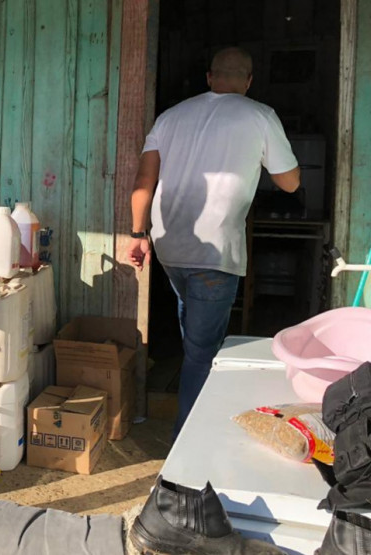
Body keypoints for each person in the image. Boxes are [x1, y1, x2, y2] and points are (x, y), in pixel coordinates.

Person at [128, 47, 301, 436]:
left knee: (193, 329)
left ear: (210, 77)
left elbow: (143, 184)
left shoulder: (170, 118)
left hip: (170, 245)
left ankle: (194, 428)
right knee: (201, 354)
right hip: (215, 252)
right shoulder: (260, 115)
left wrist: (139, 235)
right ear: (249, 81)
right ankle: (187, 440)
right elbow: (290, 182)